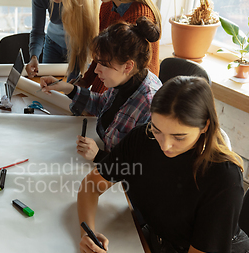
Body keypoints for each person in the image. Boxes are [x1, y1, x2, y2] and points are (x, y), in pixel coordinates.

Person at [77, 76, 249, 253]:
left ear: (204, 126)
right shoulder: (143, 139)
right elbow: (92, 184)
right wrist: (87, 233)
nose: (165, 145)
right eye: (157, 130)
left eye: (179, 136)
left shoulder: (222, 176)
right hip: (166, 245)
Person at [40, 17, 161, 162]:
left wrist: (99, 156)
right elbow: (102, 104)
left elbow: (138, 165)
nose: (97, 70)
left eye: (104, 64)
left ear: (128, 66)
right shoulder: (126, 79)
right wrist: (67, 88)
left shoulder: (149, 106)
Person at [77, 0, 161, 94]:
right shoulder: (107, 6)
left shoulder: (139, 15)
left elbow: (114, 66)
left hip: (133, 91)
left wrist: (90, 98)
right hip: (114, 81)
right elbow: (103, 55)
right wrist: (86, 81)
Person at [26, 0, 100, 83]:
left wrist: (70, 89)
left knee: (72, 89)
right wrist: (34, 56)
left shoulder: (83, 3)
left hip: (79, 46)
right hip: (52, 43)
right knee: (46, 86)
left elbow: (85, 41)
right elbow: (37, 31)